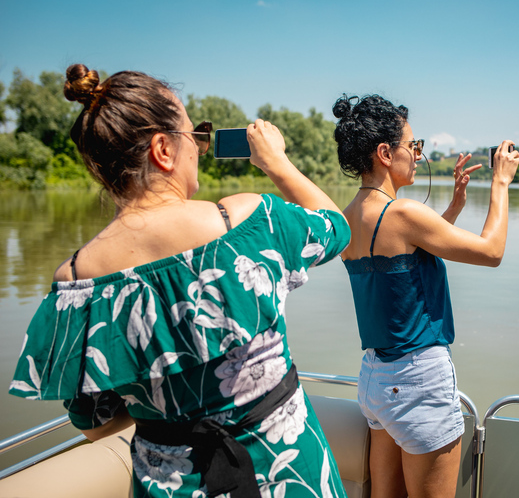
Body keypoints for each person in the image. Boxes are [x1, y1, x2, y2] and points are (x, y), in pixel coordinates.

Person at [8, 64, 351, 498]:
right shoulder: (248, 221)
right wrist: (277, 163)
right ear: (163, 149)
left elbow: (96, 425)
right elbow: (336, 227)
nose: (201, 150)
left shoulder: (76, 283)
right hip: (287, 474)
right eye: (196, 137)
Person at [332, 94, 519, 497]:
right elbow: (491, 251)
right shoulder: (403, 214)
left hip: (375, 379)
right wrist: (501, 184)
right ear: (385, 153)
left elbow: (409, 253)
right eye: (413, 146)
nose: (418, 156)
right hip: (418, 379)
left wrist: (454, 205)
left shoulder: (349, 216)